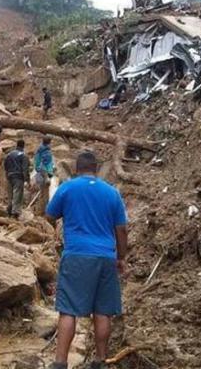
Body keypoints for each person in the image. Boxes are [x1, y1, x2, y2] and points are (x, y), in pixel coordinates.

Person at [46, 152, 128, 369]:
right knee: (103, 311)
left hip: (76, 255)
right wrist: (121, 257)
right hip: (105, 257)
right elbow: (122, 229)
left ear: (76, 168)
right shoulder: (111, 193)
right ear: (96, 168)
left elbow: (50, 215)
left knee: (68, 310)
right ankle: (100, 360)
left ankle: (60, 362)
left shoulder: (68, 188)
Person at [4, 139, 30, 219]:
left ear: (16, 145)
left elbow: (5, 165)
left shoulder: (9, 155)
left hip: (9, 176)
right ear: (23, 146)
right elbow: (25, 169)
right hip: (18, 177)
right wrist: (27, 180)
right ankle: (15, 213)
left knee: (10, 194)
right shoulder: (23, 155)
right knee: (17, 194)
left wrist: (7, 174)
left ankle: (9, 210)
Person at [34, 136, 54, 216]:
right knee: (45, 194)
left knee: (41, 193)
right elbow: (48, 164)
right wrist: (49, 173)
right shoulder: (47, 151)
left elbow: (37, 162)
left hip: (39, 173)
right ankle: (43, 212)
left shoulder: (39, 150)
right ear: (49, 142)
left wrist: (38, 169)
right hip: (45, 174)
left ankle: (39, 211)